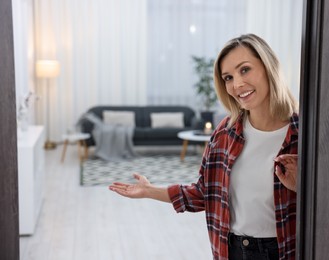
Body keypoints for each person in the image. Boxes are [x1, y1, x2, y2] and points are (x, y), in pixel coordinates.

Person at [109, 33, 299, 260]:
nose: (237, 84)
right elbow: (203, 193)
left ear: (269, 67)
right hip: (231, 250)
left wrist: (301, 187)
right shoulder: (224, 135)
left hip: (283, 251)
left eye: (245, 69)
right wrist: (150, 191)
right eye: (228, 77)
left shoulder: (302, 135)